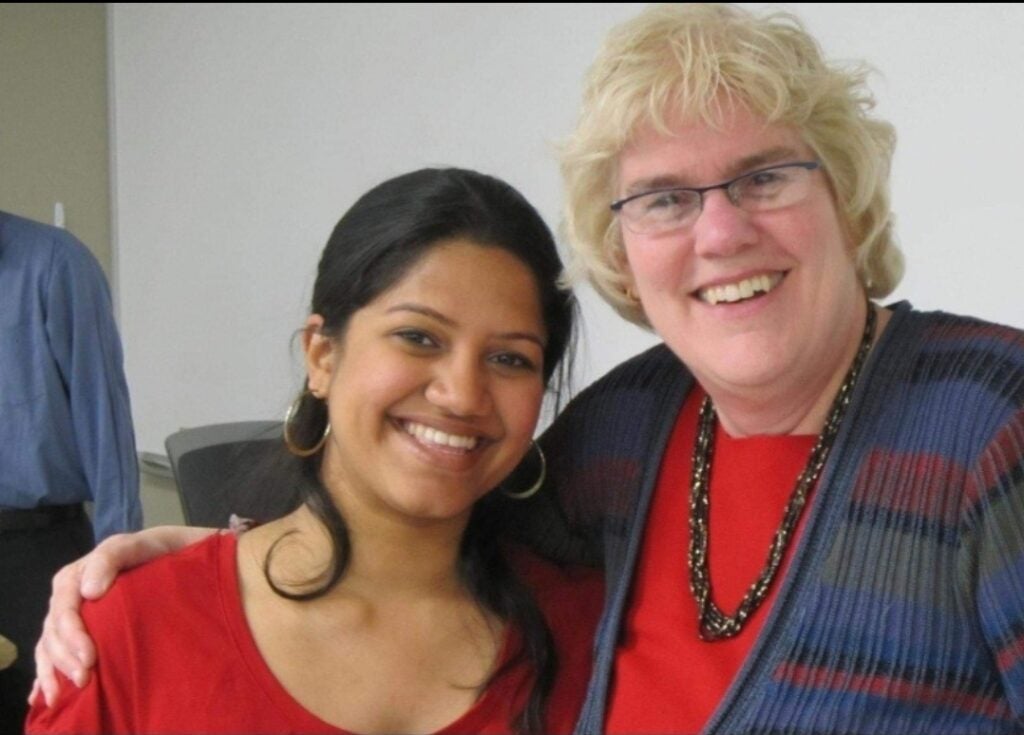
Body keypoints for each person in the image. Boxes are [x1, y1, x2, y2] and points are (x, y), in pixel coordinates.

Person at [34, 4, 1024, 734]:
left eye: (764, 175)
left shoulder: (994, 419)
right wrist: (199, 563)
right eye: (665, 199)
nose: (721, 232)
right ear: (624, 247)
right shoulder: (624, 435)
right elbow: (419, 514)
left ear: (845, 196)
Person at [26, 167, 601, 735]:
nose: (461, 394)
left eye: (509, 359)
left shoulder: (593, 631)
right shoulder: (133, 626)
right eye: (418, 337)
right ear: (322, 357)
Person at [0, 210, 142, 733]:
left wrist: (118, 562)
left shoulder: (54, 263)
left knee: (54, 715)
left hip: (36, 551)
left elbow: (102, 412)